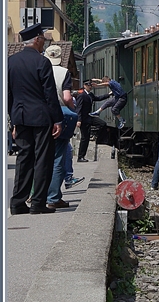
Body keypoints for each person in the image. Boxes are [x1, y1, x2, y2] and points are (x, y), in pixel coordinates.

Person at [7, 22, 64, 215]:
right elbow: (49, 94)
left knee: (24, 158)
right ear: (37, 40)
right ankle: (38, 203)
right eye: (43, 40)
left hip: (20, 116)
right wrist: (57, 120)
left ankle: (17, 203)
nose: (44, 44)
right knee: (42, 159)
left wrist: (12, 121)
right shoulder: (42, 62)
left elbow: (8, 94)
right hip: (41, 117)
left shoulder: (10, 62)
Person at [44, 44, 83, 190]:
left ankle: (35, 194)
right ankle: (54, 195)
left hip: (40, 115)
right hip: (59, 114)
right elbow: (67, 98)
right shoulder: (63, 72)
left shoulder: (38, 69)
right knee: (59, 156)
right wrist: (73, 111)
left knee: (40, 157)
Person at [75, 81, 94, 161]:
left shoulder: (90, 95)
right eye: (89, 85)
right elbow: (78, 108)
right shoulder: (82, 95)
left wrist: (109, 95)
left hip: (88, 118)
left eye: (91, 85)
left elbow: (98, 98)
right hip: (83, 120)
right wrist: (78, 120)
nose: (90, 87)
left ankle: (82, 156)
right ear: (85, 86)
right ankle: (80, 157)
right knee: (84, 138)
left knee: (101, 124)